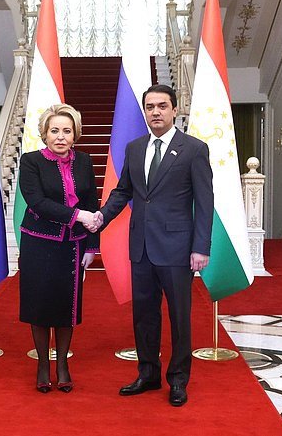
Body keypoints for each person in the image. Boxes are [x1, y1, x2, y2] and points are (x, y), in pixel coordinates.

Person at [98, 84, 213, 407]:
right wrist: (101, 217)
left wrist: (201, 246)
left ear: (174, 110)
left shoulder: (193, 149)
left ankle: (178, 380)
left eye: (162, 106)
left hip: (177, 248)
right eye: (150, 107)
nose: (156, 112)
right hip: (142, 248)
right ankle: (148, 374)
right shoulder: (135, 148)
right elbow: (124, 191)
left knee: (179, 317)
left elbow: (205, 202)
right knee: (144, 315)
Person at [18, 103, 100, 394]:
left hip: (73, 245)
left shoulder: (85, 161)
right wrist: (78, 216)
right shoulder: (31, 161)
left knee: (67, 306)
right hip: (39, 242)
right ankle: (43, 365)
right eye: (55, 131)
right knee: (40, 305)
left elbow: (91, 202)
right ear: (44, 133)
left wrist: (92, 246)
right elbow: (37, 202)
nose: (61, 137)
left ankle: (62, 364)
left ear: (75, 134)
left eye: (67, 131)